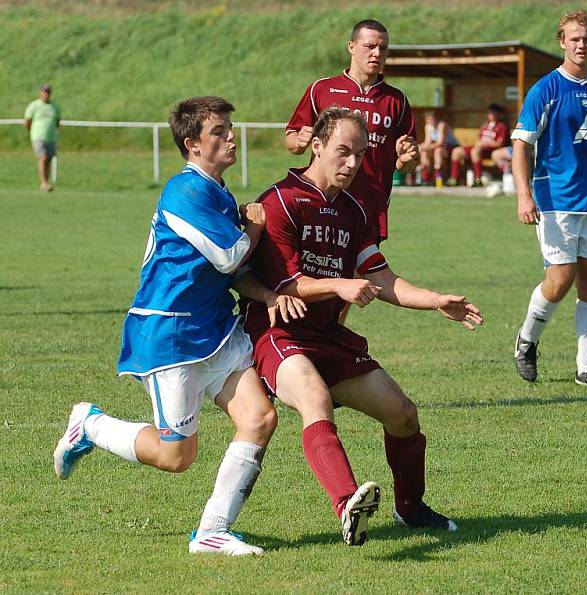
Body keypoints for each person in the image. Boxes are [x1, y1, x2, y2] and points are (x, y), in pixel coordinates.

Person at [53, 96, 306, 556]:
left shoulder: (219, 193)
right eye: (219, 131)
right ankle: (89, 425)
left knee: (259, 417)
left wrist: (269, 294)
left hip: (215, 328)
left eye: (231, 127)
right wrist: (255, 225)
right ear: (192, 144)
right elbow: (231, 254)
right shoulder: (185, 192)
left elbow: (233, 273)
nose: (231, 137)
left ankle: (212, 531)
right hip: (170, 335)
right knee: (176, 456)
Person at [237, 108, 483, 547]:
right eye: (343, 152)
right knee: (314, 399)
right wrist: (342, 285)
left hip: (329, 337)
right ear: (317, 146)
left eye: (360, 155)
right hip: (279, 334)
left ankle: (410, 508)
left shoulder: (354, 210)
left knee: (403, 414)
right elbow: (287, 284)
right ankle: (348, 505)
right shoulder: (281, 201)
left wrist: (434, 301)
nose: (352, 164)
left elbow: (381, 278)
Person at [510, 9, 587, 387]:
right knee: (560, 279)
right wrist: (524, 195)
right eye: (574, 39)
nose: (581, 45)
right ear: (562, 41)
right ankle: (526, 340)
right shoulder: (545, 89)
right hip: (556, 199)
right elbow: (521, 145)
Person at [285, 18, 419, 243]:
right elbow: (291, 139)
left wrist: (407, 159)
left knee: (361, 275)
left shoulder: (397, 100)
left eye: (383, 48)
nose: (377, 53)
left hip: (370, 204)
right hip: (323, 200)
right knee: (321, 269)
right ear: (351, 47)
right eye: (369, 47)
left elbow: (405, 164)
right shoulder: (321, 89)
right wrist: (298, 142)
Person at [447, 103, 509, 187]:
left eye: (494, 113)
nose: (491, 115)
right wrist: (480, 143)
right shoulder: (485, 125)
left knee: (475, 151)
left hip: (490, 151)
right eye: (490, 113)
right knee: (456, 151)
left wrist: (486, 143)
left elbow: (500, 143)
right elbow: (479, 140)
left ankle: (478, 179)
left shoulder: (502, 126)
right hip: (479, 149)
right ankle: (454, 179)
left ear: (499, 114)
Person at [24, 83, 61, 192]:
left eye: (48, 92)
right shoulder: (34, 105)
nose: (46, 94)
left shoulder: (55, 107)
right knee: (43, 157)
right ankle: (43, 183)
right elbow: (27, 121)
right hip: (38, 136)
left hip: (51, 137)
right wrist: (32, 131)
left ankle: (46, 182)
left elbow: (57, 122)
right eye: (44, 91)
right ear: (40, 92)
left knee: (48, 159)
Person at [418, 110, 459, 186]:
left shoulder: (442, 125)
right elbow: (428, 142)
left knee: (438, 151)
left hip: (451, 146)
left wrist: (426, 147)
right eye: (429, 119)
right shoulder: (428, 126)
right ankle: (426, 177)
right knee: (423, 152)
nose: (431, 121)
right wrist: (419, 147)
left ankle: (438, 178)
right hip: (440, 146)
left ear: (436, 118)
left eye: (432, 119)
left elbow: (440, 142)